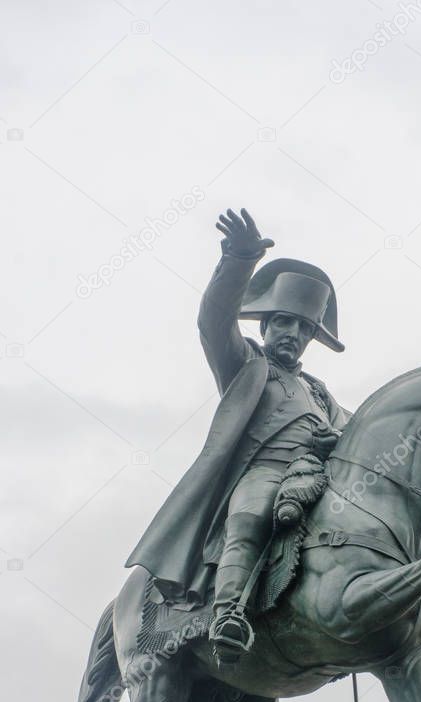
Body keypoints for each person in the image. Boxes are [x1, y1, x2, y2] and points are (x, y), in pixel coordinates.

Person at [126, 208, 348, 661]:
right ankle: (228, 614)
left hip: (316, 482)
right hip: (263, 473)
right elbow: (213, 319)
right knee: (249, 513)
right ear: (265, 326)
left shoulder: (321, 394)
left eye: (303, 327)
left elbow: (358, 434)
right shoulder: (246, 365)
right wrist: (240, 258)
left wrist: (339, 443)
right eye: (283, 322)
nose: (293, 333)